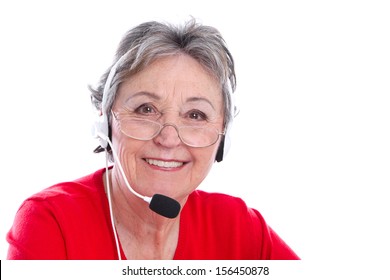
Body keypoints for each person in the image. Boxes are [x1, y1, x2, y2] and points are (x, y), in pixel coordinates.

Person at [6, 19, 299, 260]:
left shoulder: (239, 229)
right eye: (146, 109)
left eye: (195, 115)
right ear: (105, 122)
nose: (169, 138)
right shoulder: (51, 221)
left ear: (223, 136)